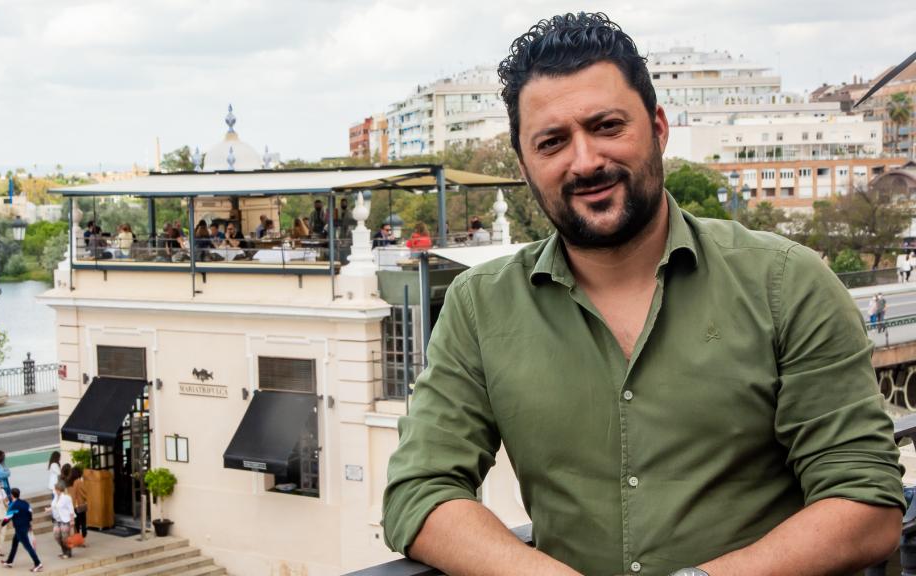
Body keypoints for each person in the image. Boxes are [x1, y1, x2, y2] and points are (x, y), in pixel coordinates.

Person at [382, 13, 904, 576]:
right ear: (525, 164)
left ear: (657, 127)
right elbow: (420, 489)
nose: (585, 161)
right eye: (552, 141)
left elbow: (866, 502)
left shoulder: (786, 282)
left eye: (607, 126)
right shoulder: (479, 306)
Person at [2, 488, 43, 572]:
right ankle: (9, 561)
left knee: (28, 546)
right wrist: (29, 523)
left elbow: (7, 518)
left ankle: (38, 563)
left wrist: (1, 526)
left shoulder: (13, 505)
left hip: (20, 528)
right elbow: (30, 513)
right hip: (25, 526)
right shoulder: (25, 503)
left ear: (12, 495)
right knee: (14, 543)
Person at [48, 481, 75, 559]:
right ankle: (64, 550)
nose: (55, 490)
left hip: (65, 520)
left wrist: (72, 520)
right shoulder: (56, 497)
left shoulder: (67, 497)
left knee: (65, 537)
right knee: (56, 536)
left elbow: (71, 510)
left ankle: (68, 552)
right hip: (57, 520)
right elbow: (54, 506)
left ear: (59, 489)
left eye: (56, 489)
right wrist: (49, 509)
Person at [67, 466, 88, 545]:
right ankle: (82, 540)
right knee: (83, 523)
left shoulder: (69, 483)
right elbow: (84, 492)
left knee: (77, 524)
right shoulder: (79, 482)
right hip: (80, 505)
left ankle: (78, 541)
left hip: (73, 506)